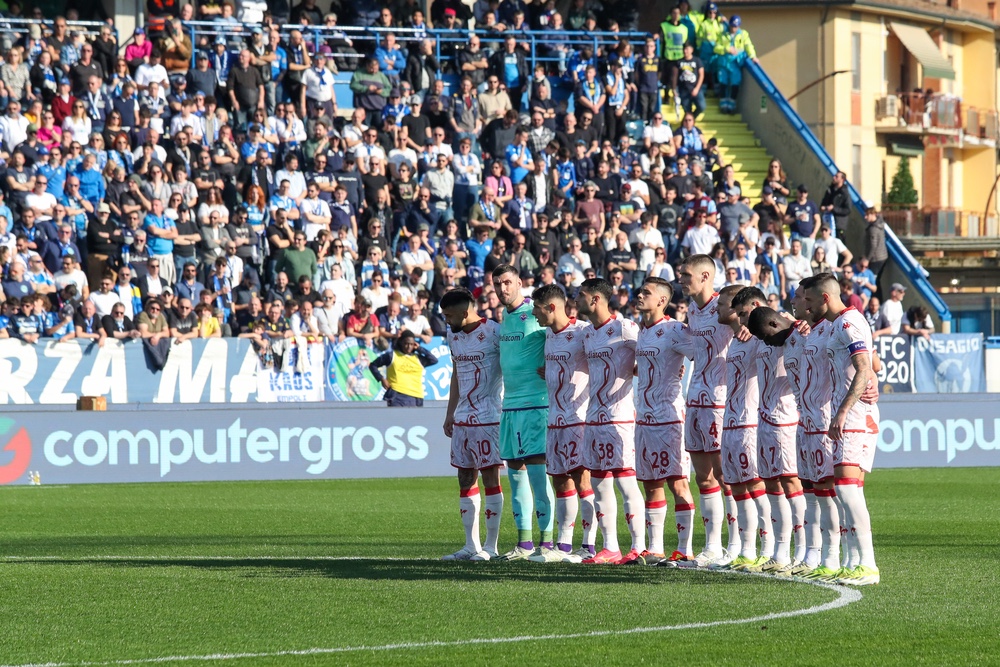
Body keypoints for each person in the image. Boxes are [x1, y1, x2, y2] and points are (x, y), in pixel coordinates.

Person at [802, 273, 880, 585]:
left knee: (847, 488)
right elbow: (872, 365)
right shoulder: (838, 324)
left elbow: (865, 367)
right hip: (849, 415)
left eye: (809, 300)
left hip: (855, 416)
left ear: (824, 298)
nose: (806, 307)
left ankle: (868, 565)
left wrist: (844, 410)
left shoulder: (849, 322)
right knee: (847, 489)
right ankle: (853, 562)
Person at [733, 286, 806, 574]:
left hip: (787, 419)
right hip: (764, 420)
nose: (741, 322)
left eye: (743, 314)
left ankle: (803, 553)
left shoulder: (790, 328)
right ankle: (780, 553)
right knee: (772, 485)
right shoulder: (756, 335)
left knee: (791, 483)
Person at [573, 277, 644, 564]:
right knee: (600, 484)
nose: (575, 301)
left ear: (595, 300)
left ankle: (638, 546)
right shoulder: (587, 334)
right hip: (593, 417)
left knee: (626, 483)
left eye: (580, 296)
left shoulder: (624, 327)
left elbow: (653, 354)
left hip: (620, 418)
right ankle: (610, 547)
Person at [675, 254, 738, 568]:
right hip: (695, 399)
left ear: (705, 276)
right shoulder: (692, 310)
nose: (681, 280)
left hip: (720, 401)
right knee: (703, 478)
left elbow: (762, 322)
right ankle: (712, 547)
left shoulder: (726, 306)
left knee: (726, 476)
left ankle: (736, 545)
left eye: (686, 275)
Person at [631, 278, 698, 566]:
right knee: (650, 483)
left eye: (646, 292)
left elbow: (704, 354)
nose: (639, 295)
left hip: (669, 418)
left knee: (678, 484)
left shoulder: (675, 330)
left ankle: (685, 549)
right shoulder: (641, 331)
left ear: (661, 300)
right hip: (644, 419)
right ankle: (655, 548)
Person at [528, 284, 596, 563]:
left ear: (551, 307)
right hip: (554, 419)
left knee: (582, 480)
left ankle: (589, 545)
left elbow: (609, 359)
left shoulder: (582, 332)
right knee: (559, 480)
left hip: (578, 420)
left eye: (537, 308)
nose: (534, 313)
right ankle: (564, 546)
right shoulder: (547, 336)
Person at [491, 264, 554, 561]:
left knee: (539, 475)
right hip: (510, 405)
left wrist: (553, 364)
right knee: (515, 474)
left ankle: (549, 542)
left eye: (507, 283)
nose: (502, 289)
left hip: (536, 404)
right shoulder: (505, 316)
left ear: (519, 282)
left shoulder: (536, 313)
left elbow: (564, 331)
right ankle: (524, 544)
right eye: (497, 284)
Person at [708, 284, 771, 571]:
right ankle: (745, 551)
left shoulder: (759, 337)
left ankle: (769, 550)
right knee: (737, 487)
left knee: (756, 485)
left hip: (750, 423)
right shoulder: (735, 340)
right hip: (730, 422)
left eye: (722, 304)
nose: (717, 309)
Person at [440, 288, 505, 561]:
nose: (446, 321)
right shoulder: (452, 335)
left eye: (449, 315)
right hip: (463, 418)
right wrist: (450, 412)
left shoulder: (495, 333)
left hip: (489, 417)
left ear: (465, 312)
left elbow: (512, 367)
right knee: (465, 477)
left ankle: (491, 546)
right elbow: (456, 372)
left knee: (490, 477)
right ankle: (470, 545)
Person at [369, 329, 439, 406]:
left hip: (416, 396)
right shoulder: (392, 356)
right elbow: (373, 365)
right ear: (401, 342)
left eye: (412, 344)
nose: (409, 347)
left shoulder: (418, 359)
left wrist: (419, 349)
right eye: (406, 343)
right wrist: (381, 379)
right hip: (396, 395)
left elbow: (434, 360)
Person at [820, 171, 850, 239]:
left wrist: (834, 208)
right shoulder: (830, 190)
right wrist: (823, 207)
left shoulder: (845, 193)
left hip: (838, 225)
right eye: (834, 176)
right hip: (827, 223)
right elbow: (823, 203)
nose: (834, 178)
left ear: (842, 179)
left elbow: (847, 210)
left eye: (837, 177)